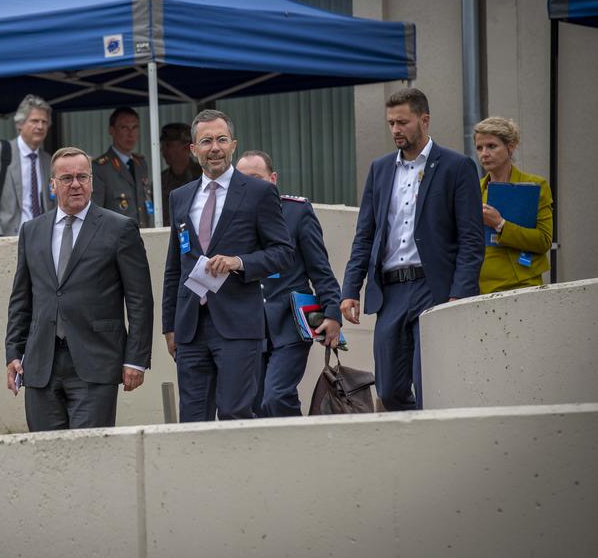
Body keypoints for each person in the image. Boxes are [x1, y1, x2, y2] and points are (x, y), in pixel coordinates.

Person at [340, 88, 483, 411]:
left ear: (424, 119)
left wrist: (459, 294)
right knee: (388, 389)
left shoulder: (456, 167)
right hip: (389, 292)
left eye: (402, 122)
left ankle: (432, 448)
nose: (395, 130)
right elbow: (365, 235)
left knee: (429, 381)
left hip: (433, 289)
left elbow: (471, 240)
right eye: (390, 123)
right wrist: (350, 289)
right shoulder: (380, 169)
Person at [5, 147, 154, 431]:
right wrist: (14, 352)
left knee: (91, 456)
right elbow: (21, 300)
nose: (76, 184)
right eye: (67, 178)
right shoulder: (31, 231)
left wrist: (136, 359)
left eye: (82, 177)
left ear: (92, 182)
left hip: (95, 363)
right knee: (46, 456)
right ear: (52, 185)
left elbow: (139, 300)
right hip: (41, 366)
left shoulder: (120, 229)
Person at [162, 110, 294, 422]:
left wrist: (239, 262)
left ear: (233, 145)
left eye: (222, 139)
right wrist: (170, 325)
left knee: (235, 412)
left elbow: (282, 253)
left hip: (238, 325)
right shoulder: (179, 197)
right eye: (206, 141)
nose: (215, 147)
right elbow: (174, 266)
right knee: (193, 419)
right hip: (190, 327)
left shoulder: (259, 192)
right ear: (193, 150)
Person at [236, 150, 341, 418]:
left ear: (273, 179)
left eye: (256, 178)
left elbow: (320, 269)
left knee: (276, 395)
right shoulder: (231, 219)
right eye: (242, 180)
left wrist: (332, 313)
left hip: (290, 322)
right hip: (249, 326)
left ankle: (299, 445)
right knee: (256, 404)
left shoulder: (296, 212)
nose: (250, 186)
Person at [474, 117, 553, 294]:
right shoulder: (473, 190)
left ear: (511, 146)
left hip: (523, 282)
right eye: (479, 148)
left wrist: (500, 224)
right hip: (481, 287)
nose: (484, 154)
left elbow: (544, 240)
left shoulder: (535, 185)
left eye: (491, 146)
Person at [0, 94, 54, 237]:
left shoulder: (48, 161)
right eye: (35, 121)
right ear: (20, 124)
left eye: (44, 122)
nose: (40, 126)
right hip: (7, 240)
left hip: (42, 240)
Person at [92, 107, 154, 228]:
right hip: (116, 240)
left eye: (134, 128)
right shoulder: (100, 167)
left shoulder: (140, 163)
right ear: (112, 131)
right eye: (124, 128)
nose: (130, 134)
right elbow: (96, 212)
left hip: (144, 235)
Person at [159, 122, 201, 226]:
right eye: (162, 145)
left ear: (186, 147)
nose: (162, 150)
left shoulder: (203, 175)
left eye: (168, 145)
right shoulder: (161, 180)